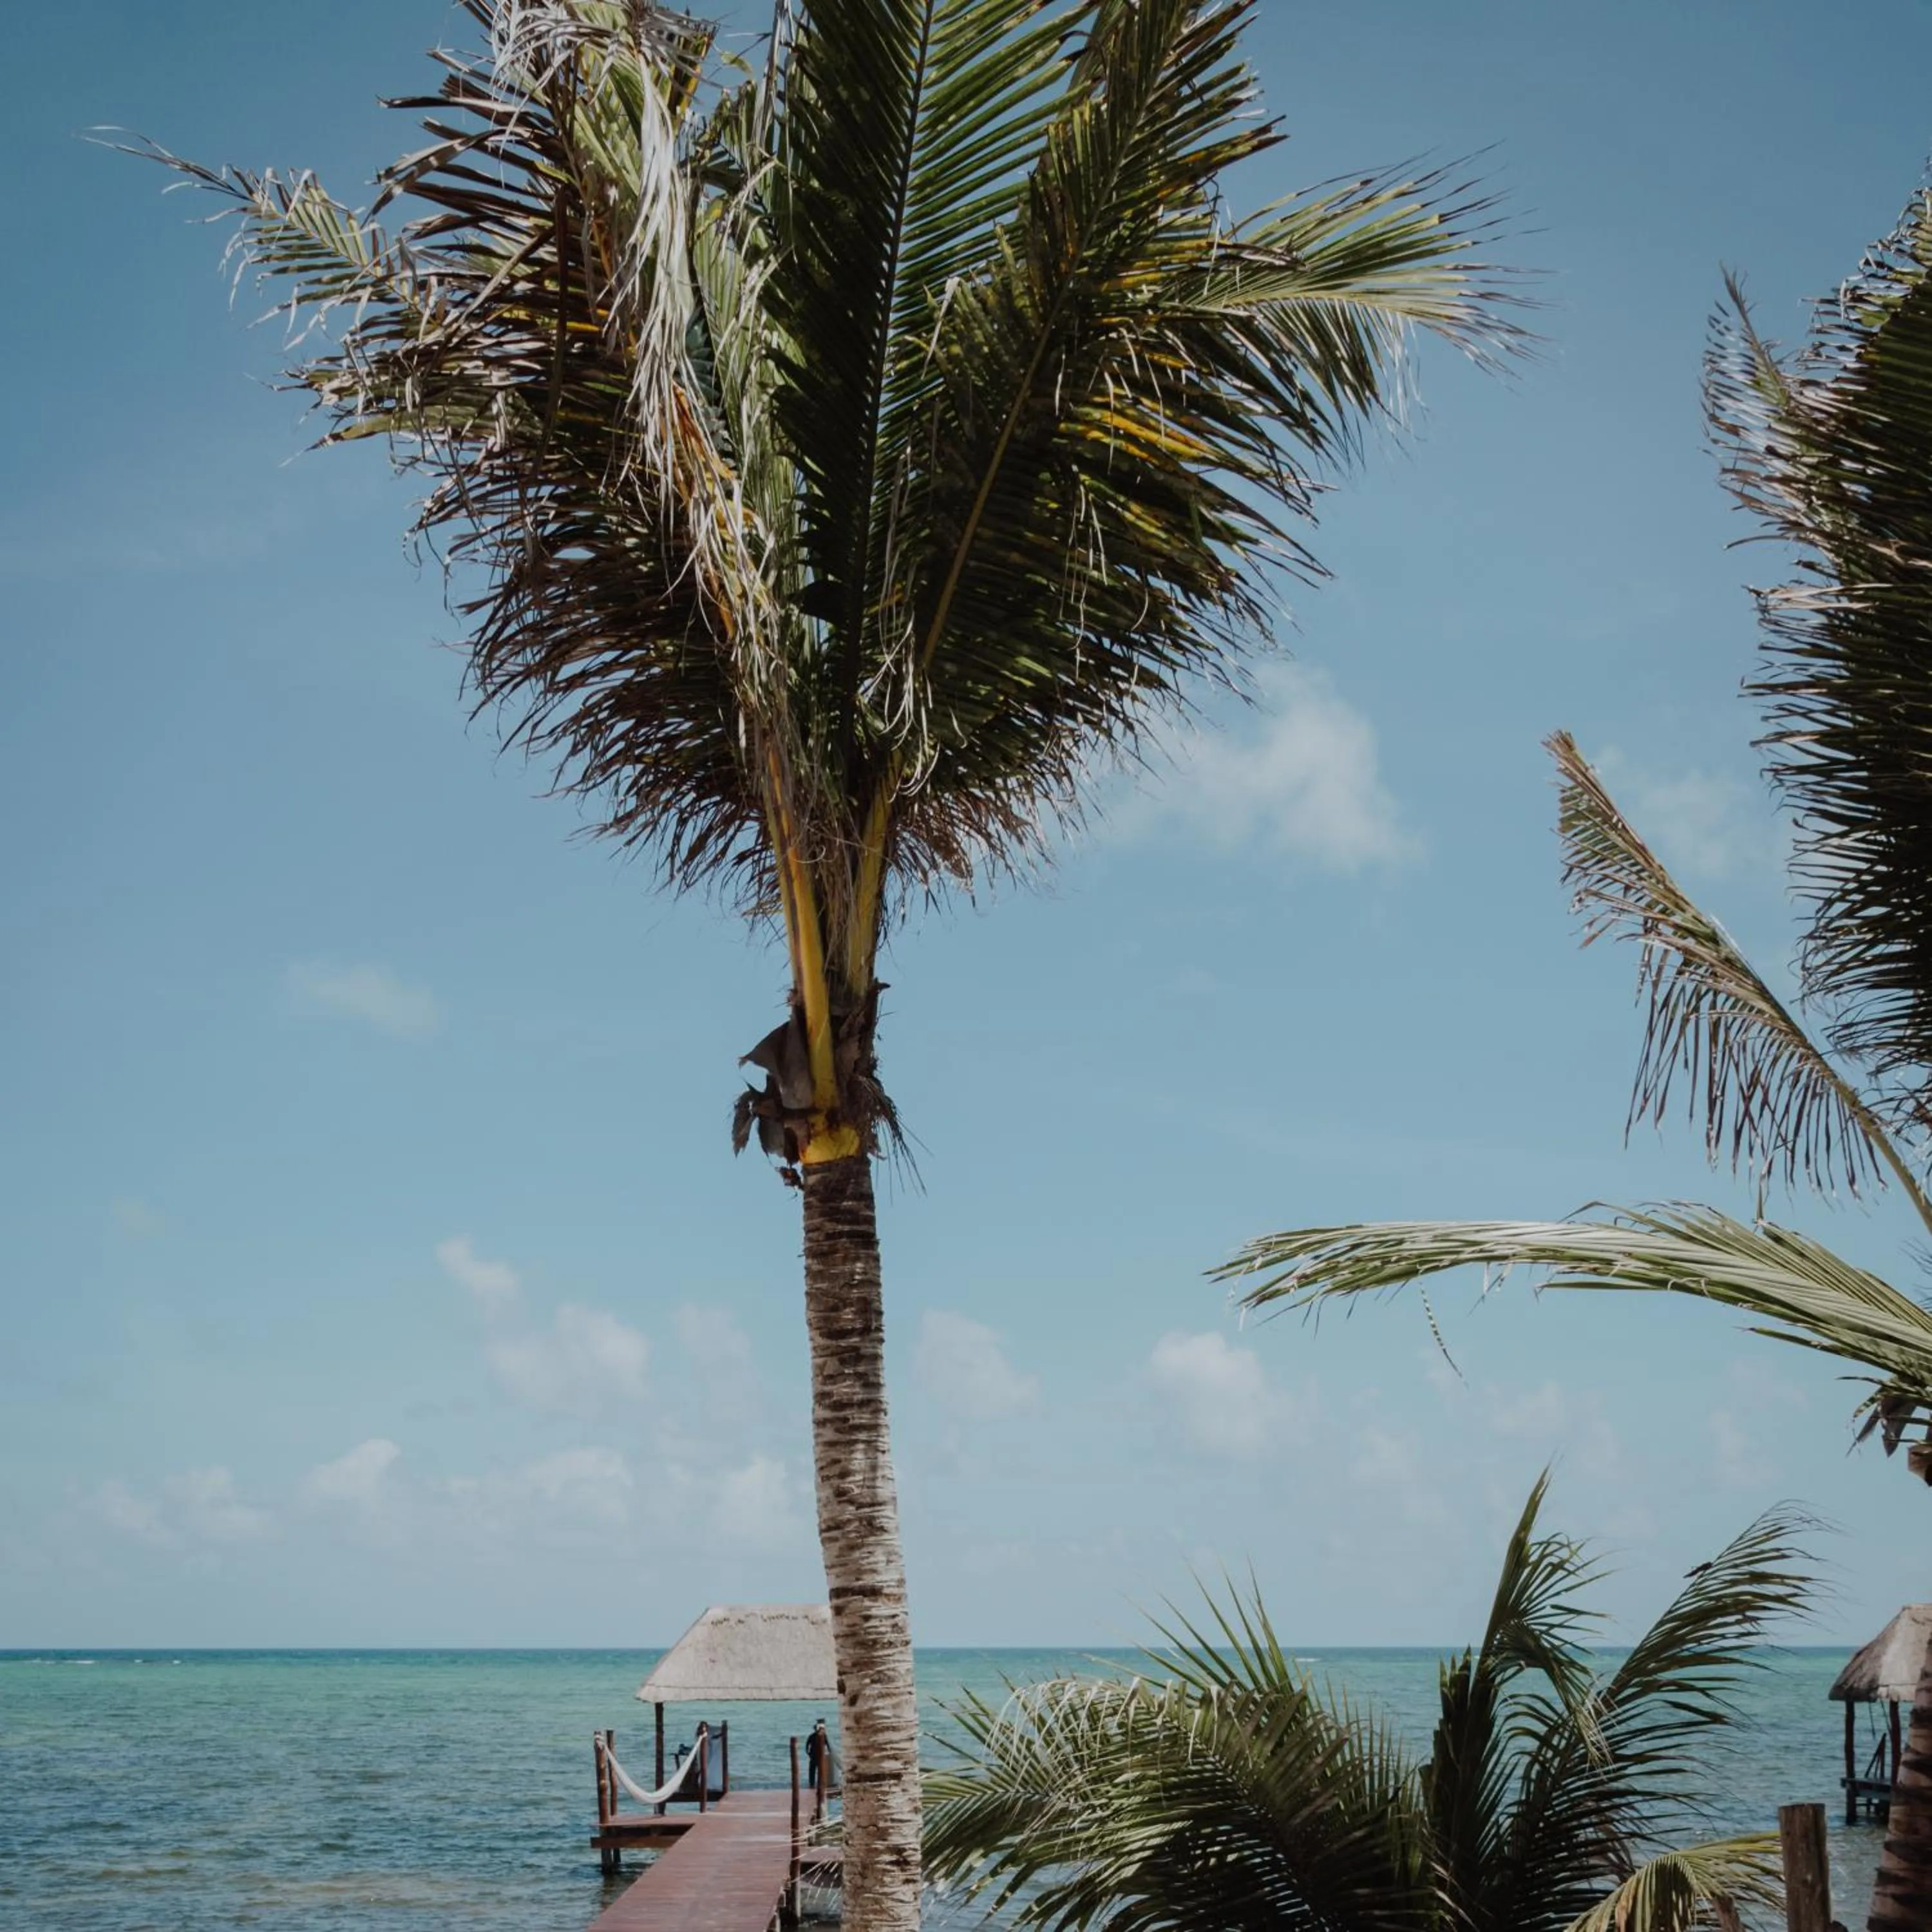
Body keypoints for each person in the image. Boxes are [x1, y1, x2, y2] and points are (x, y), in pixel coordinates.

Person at [804, 1718, 830, 1791]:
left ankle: (813, 1784)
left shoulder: (817, 1736)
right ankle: (816, 1784)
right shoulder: (821, 1736)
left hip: (815, 1756)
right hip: (817, 1756)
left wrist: (808, 1752)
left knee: (814, 1770)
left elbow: (807, 1745)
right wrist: (829, 1752)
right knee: (817, 1770)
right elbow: (828, 1745)